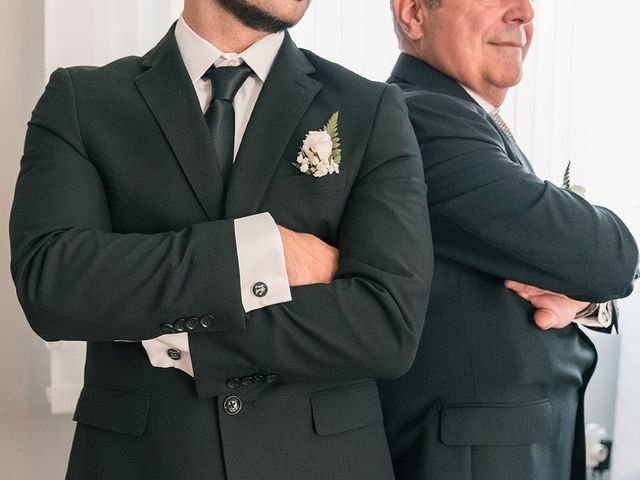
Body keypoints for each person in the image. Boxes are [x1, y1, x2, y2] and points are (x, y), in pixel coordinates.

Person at [9, 1, 433, 478]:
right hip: (141, 463)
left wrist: (182, 336)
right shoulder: (82, 100)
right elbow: (54, 285)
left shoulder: (369, 108)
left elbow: (388, 326)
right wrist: (262, 253)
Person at [379, 1, 639, 479]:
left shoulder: (467, 118)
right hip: (474, 459)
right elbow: (609, 257)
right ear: (414, 13)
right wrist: (592, 263)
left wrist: (578, 302)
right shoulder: (416, 117)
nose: (524, 12)